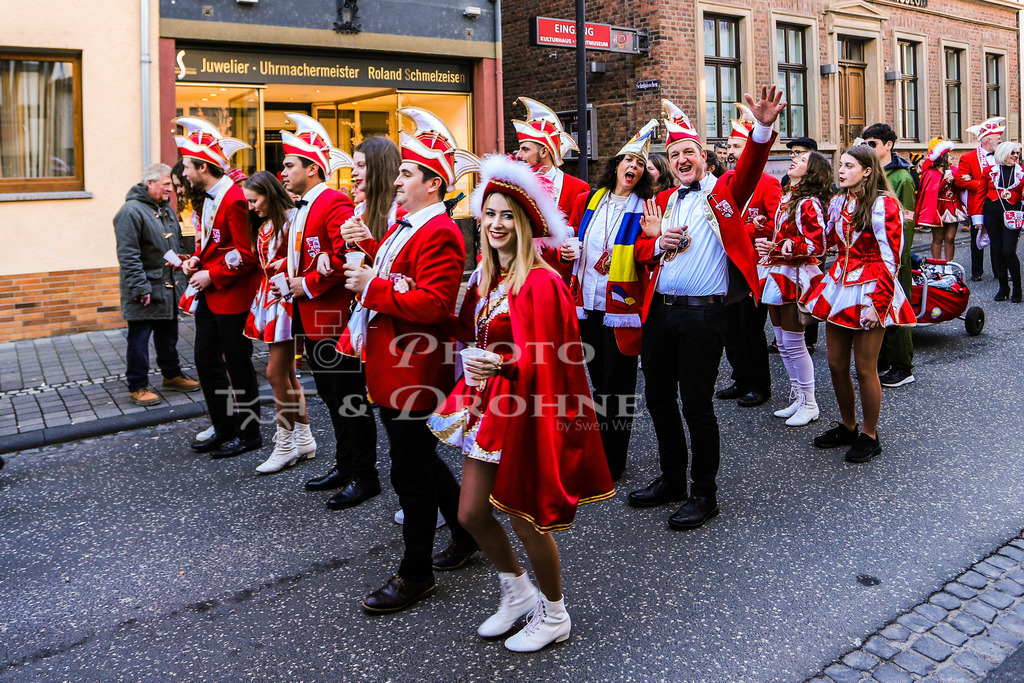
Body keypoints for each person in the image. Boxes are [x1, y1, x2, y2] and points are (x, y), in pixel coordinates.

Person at [427, 154, 614, 652]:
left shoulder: (542, 281)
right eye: (489, 214)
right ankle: (517, 592)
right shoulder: (488, 276)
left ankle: (554, 614)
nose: (495, 224)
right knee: (471, 513)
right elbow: (473, 334)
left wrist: (502, 365)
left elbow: (554, 359)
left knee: (523, 516)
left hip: (527, 411)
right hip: (488, 407)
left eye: (507, 215)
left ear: (526, 222)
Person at [341, 107, 480, 614]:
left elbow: (435, 304)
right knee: (419, 458)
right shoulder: (409, 224)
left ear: (432, 183)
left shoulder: (439, 230)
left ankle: (415, 573)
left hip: (413, 370)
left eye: (406, 173)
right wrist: (369, 246)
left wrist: (371, 286)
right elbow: (403, 272)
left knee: (410, 473)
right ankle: (467, 533)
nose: (396, 181)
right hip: (393, 363)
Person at [627, 87, 785, 530]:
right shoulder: (661, 201)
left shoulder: (726, 192)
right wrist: (656, 243)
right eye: (674, 153)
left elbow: (750, 167)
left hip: (704, 315)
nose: (681, 159)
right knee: (658, 399)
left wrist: (762, 128)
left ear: (704, 158)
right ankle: (672, 479)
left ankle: (704, 494)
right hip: (661, 312)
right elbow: (639, 252)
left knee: (696, 404)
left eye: (689, 152)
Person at [266, 114, 379, 508]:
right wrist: (287, 270)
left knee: (349, 399)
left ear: (312, 168)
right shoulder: (303, 205)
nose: (282, 172)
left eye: (289, 165)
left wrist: (308, 283)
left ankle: (364, 475)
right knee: (332, 397)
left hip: (332, 319)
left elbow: (346, 255)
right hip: (311, 317)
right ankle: (345, 466)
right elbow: (313, 254)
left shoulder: (333, 201)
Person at [802, 145, 917, 464]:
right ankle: (848, 425)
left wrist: (877, 305)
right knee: (836, 364)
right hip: (840, 286)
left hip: (872, 288)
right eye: (840, 165)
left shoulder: (884, 204)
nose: (841, 170)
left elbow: (892, 259)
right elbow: (826, 244)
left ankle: (869, 434)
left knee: (865, 368)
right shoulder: (839, 201)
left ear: (867, 171)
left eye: (849, 165)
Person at [563, 120, 658, 481]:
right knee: (600, 383)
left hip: (621, 308)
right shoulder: (588, 199)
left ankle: (612, 461)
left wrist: (651, 241)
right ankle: (600, 450)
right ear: (616, 164)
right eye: (628, 160)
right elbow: (570, 239)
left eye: (639, 163)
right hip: (587, 302)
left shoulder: (646, 206)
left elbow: (648, 253)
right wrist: (569, 250)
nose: (633, 167)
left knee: (619, 386)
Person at [175, 117, 263, 460]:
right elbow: (215, 243)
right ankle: (224, 427)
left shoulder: (235, 199)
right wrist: (197, 260)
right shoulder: (212, 196)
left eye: (187, 166)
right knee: (205, 361)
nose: (184, 172)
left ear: (203, 167)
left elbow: (248, 255)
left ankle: (250, 433)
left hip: (232, 296)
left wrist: (212, 275)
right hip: (214, 295)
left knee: (238, 366)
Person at [240, 170, 317, 474]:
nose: (251, 207)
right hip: (272, 299)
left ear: (269, 194)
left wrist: (285, 264)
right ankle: (303, 438)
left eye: (254, 200)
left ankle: (285, 445)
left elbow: (308, 256)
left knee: (275, 374)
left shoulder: (291, 220)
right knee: (286, 375)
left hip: (286, 301)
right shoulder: (268, 224)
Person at [113, 162, 200, 406]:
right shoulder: (130, 212)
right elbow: (128, 255)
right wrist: (140, 288)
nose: (170, 189)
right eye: (166, 184)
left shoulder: (166, 210)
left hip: (167, 286)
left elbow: (176, 243)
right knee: (139, 339)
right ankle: (137, 386)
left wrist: (182, 260)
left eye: (171, 184)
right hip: (145, 288)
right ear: (150, 183)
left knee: (168, 336)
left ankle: (171, 376)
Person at [754, 151, 830, 427]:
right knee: (783, 343)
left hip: (793, 276)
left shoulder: (809, 203)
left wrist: (781, 246)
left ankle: (810, 403)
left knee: (795, 343)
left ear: (812, 171)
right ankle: (799, 397)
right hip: (777, 272)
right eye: (795, 156)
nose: (794, 159)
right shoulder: (789, 196)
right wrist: (767, 227)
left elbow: (817, 245)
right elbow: (787, 234)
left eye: (802, 159)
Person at [716, 104, 783, 408]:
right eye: (729, 147)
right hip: (725, 266)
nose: (730, 152)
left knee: (750, 329)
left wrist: (746, 229)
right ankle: (740, 378)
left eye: (736, 146)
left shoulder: (768, 183)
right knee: (729, 328)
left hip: (753, 268)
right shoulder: (723, 182)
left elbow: (775, 225)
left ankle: (759, 385)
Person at [861, 123, 917, 389]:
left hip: (894, 257)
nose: (868, 148)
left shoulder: (902, 178)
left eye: (872, 143)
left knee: (896, 308)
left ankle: (903, 366)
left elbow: (906, 222)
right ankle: (881, 360)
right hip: (871, 255)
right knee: (875, 307)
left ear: (888, 145)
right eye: (865, 143)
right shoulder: (869, 173)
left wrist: (900, 259)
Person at [512, 97, 590, 220]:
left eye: (525, 149)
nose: (518, 155)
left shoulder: (577, 188)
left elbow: (580, 228)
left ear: (544, 152)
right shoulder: (515, 185)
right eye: (520, 149)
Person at [955, 117, 1006, 281]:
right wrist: (983, 184)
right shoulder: (968, 158)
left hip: (997, 203)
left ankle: (1000, 272)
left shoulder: (1002, 156)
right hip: (977, 204)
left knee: (998, 238)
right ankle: (977, 272)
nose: (1000, 141)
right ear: (988, 140)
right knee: (976, 238)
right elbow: (960, 181)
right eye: (998, 138)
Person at [982, 141, 1024, 302]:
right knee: (997, 250)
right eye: (1012, 152)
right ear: (1003, 153)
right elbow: (980, 193)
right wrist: (976, 217)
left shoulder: (1022, 172)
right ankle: (1003, 287)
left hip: (1013, 214)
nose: (1016, 155)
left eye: (1017, 153)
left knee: (1008, 251)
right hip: (991, 213)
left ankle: (1017, 287)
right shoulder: (990, 171)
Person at [916, 139, 965, 262]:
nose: (952, 157)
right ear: (942, 158)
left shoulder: (954, 170)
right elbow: (930, 192)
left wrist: (961, 180)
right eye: (949, 155)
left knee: (950, 238)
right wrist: (944, 182)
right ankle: (937, 264)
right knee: (938, 238)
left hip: (953, 206)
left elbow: (960, 187)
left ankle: (948, 264)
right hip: (938, 207)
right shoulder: (931, 173)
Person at [350, 136, 403, 241]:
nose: (353, 173)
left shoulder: (400, 213)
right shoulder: (361, 209)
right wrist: (350, 242)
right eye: (354, 166)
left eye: (361, 165)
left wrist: (365, 241)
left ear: (380, 168)